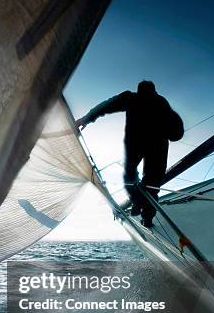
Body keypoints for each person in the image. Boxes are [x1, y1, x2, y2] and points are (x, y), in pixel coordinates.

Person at [76, 80, 184, 227]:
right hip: (149, 146)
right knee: (146, 182)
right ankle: (142, 209)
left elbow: (106, 106)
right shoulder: (155, 101)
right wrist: (86, 119)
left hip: (147, 146)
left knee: (138, 179)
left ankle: (141, 207)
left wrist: (86, 119)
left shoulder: (136, 99)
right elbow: (177, 131)